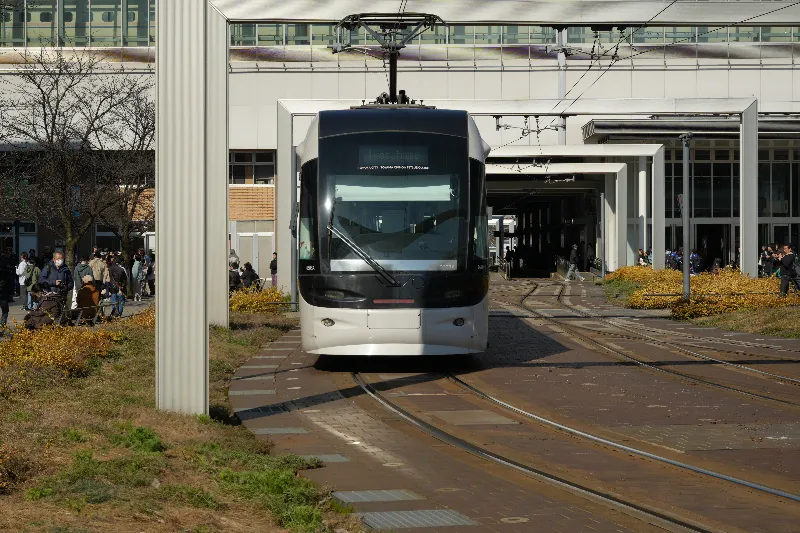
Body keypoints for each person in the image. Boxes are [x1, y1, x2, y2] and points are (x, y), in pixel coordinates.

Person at [0, 254, 15, 328]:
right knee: (5, 312)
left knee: (5, 312)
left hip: (4, 294)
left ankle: (2, 325)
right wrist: (11, 293)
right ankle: (2, 325)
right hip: (4, 295)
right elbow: (11, 284)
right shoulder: (7, 273)